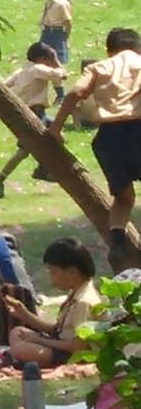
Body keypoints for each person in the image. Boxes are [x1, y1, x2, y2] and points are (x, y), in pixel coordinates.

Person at [51, 28, 141, 264]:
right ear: (137, 48)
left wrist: (56, 127)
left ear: (109, 50)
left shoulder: (100, 67)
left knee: (123, 198)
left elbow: (76, 93)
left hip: (109, 138)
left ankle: (119, 243)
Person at [2, 237, 103, 370]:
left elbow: (79, 346)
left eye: (53, 272)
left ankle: (24, 358)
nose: (51, 277)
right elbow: (58, 329)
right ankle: (22, 357)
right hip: (59, 344)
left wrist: (38, 340)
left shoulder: (82, 302)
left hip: (70, 355)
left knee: (21, 349)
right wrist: (25, 314)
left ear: (72, 272)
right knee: (17, 332)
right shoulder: (76, 293)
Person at [0, 42, 69, 199]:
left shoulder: (22, 70)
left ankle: (41, 168)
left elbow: (4, 85)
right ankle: (1, 178)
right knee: (26, 150)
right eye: (50, 58)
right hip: (34, 113)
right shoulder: (38, 69)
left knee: (57, 136)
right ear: (42, 58)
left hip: (27, 112)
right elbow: (63, 75)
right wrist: (57, 61)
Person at [37, 0, 74, 66]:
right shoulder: (49, 1)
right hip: (47, 32)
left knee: (57, 61)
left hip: (56, 34)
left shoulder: (61, 3)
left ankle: (57, 79)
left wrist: (65, 39)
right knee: (43, 58)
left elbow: (68, 23)